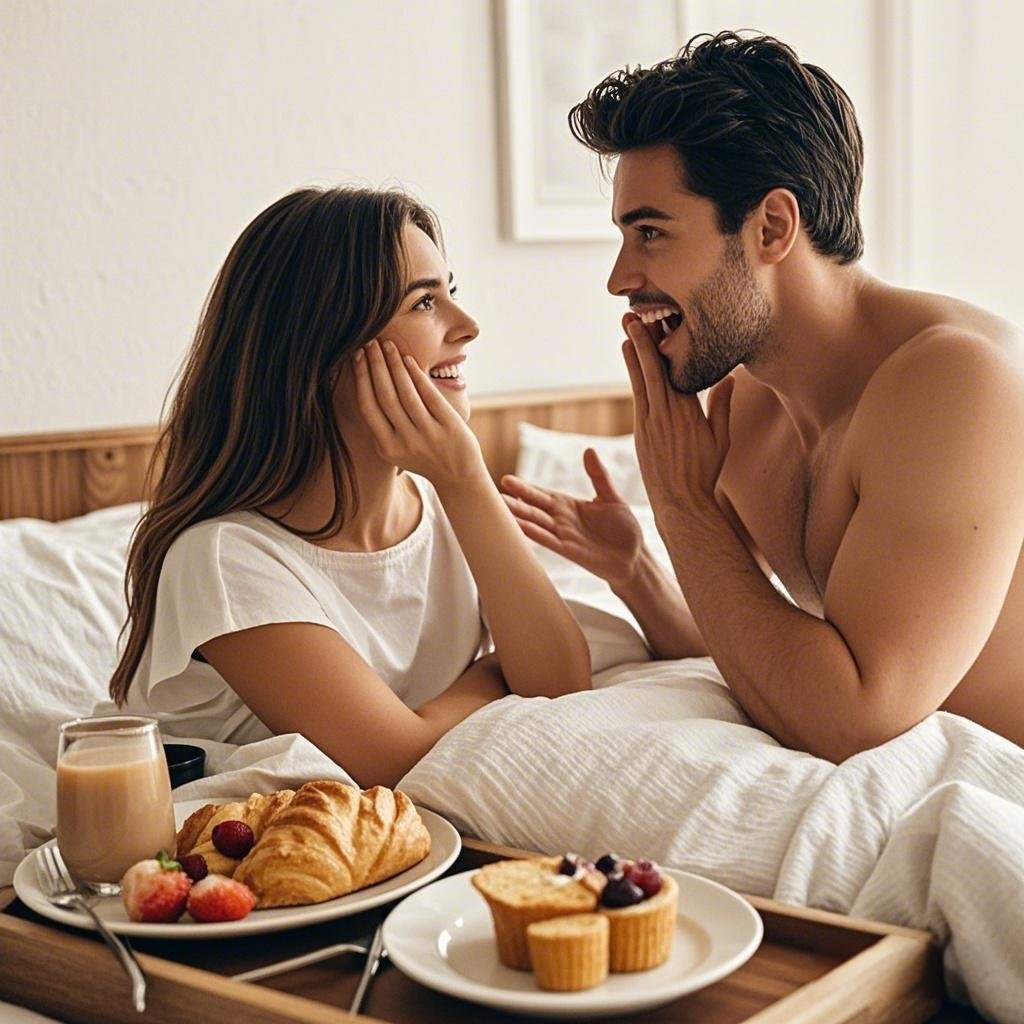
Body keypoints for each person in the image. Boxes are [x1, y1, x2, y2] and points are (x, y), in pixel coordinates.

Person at [502, 32, 1024, 760]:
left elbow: (853, 715)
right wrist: (640, 569)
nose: (619, 279)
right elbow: (754, 645)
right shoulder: (747, 406)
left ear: (772, 227)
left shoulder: (956, 384)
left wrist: (684, 507)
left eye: (649, 232)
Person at [108, 186, 591, 788]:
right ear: (319, 347)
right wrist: (495, 676)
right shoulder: (224, 559)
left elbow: (563, 684)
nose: (467, 327)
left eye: (452, 293)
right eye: (423, 303)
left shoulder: (447, 504)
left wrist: (467, 482)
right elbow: (398, 762)